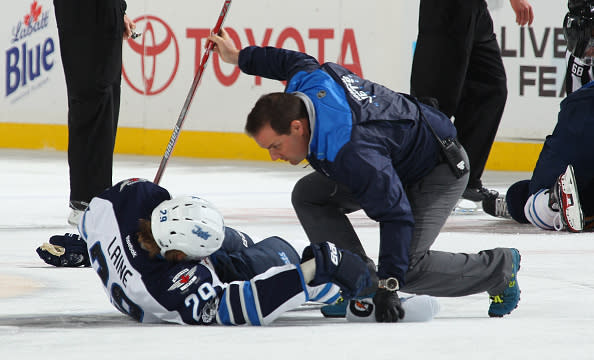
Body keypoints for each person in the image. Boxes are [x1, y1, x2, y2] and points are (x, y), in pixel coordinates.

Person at [206, 30, 522, 321]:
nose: (273, 156)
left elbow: (395, 214)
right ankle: (355, 279)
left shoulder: (352, 151)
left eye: (275, 146)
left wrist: (389, 285)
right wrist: (237, 57)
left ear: (297, 127)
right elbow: (287, 60)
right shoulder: (306, 82)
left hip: (438, 169)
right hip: (394, 156)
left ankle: (499, 268)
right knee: (310, 196)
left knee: (407, 267)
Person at [36, 178, 440, 325]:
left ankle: (243, 247)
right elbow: (242, 305)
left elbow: (94, 225)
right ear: (183, 259)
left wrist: (86, 249)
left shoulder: (126, 200)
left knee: (233, 240)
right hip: (158, 283)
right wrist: (316, 271)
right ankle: (347, 296)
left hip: (143, 255)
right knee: (277, 256)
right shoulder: (172, 285)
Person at [482, 1, 594, 233]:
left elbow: (575, 123)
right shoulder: (577, 59)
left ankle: (546, 202)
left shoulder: (579, 67)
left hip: (583, 116)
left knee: (529, 195)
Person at [410, 0, 534, 202]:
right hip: (447, 8)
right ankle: (415, 179)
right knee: (436, 99)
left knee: (489, 89)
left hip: (474, 8)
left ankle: (464, 179)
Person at [53, 0, 136, 225]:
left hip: (100, 11)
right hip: (88, 10)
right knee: (93, 100)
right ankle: (88, 202)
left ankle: (92, 199)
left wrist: (118, 10)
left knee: (104, 99)